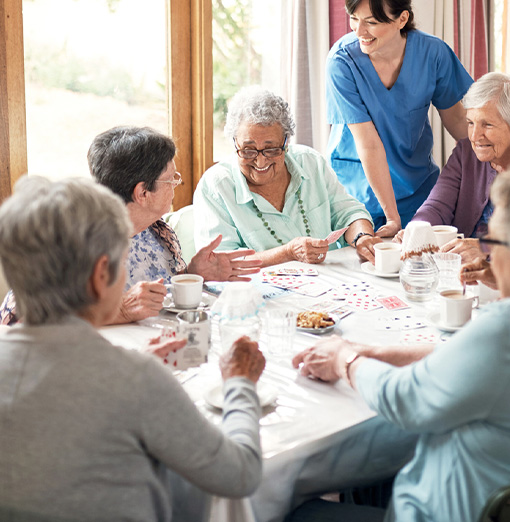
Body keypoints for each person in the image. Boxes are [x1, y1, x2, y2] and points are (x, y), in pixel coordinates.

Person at [291, 165, 510, 522]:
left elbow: (405, 400)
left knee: (295, 509)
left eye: (493, 243)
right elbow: (477, 361)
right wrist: (376, 353)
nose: (486, 255)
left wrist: (344, 358)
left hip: (448, 512)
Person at [0, 176, 266, 522]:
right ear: (100, 276)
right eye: (122, 261)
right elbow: (240, 475)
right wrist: (240, 383)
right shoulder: (135, 380)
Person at [0, 126, 262, 326]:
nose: (177, 186)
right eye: (171, 180)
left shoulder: (160, 233)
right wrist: (120, 310)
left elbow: (165, 298)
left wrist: (193, 274)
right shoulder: (73, 239)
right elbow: (19, 323)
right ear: (142, 193)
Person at [326, 0, 474, 237]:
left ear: (402, 19)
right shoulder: (342, 62)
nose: (359, 31)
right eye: (354, 19)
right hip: (356, 188)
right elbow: (368, 143)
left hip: (417, 187)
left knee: (423, 265)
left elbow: (456, 120)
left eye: (371, 21)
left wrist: (497, 153)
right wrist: (392, 218)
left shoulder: (433, 54)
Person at [194, 86, 379, 267]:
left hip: (330, 282)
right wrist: (287, 253)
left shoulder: (310, 162)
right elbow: (219, 263)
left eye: (272, 149)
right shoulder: (216, 187)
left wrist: (362, 237)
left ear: (286, 142)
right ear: (234, 143)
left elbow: (349, 212)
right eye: (248, 150)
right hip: (261, 293)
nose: (260, 162)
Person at [400, 72, 510, 261]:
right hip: (459, 269)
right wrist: (417, 229)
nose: (475, 136)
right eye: (471, 123)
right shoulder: (464, 152)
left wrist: (486, 248)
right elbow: (437, 205)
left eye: (487, 125)